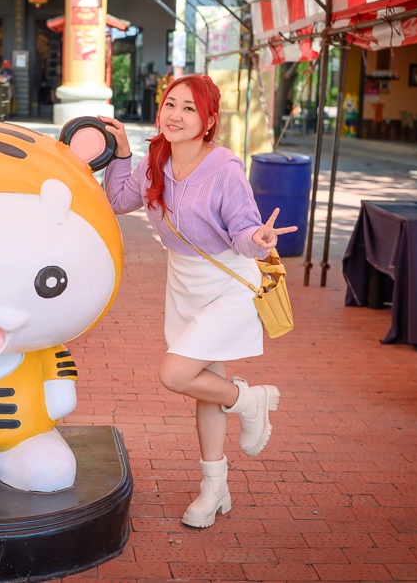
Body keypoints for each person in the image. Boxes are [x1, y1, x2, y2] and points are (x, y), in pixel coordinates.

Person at [98, 73, 297, 529]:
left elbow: (244, 231)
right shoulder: (155, 158)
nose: (176, 115)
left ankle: (248, 399)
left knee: (176, 374)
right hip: (184, 283)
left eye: (190, 108)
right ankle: (215, 486)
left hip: (227, 284)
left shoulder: (224, 166)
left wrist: (260, 238)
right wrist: (125, 152)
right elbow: (119, 200)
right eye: (171, 104)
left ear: (208, 122)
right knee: (203, 388)